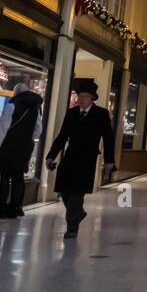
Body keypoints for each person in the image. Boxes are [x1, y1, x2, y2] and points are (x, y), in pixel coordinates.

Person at [46, 77, 115, 239]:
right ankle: (78, 213)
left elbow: (108, 138)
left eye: (84, 97)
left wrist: (109, 161)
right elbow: (62, 136)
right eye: (79, 96)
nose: (80, 99)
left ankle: (72, 227)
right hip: (70, 156)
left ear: (92, 98)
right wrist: (51, 156)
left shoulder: (101, 114)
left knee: (77, 192)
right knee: (64, 190)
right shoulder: (71, 113)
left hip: (87, 158)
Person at [0, 82, 43, 218]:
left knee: (5, 178)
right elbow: (38, 130)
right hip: (24, 149)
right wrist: (26, 138)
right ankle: (16, 207)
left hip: (8, 148)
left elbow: (2, 129)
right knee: (18, 178)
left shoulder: (12, 106)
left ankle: (1, 208)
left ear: (15, 93)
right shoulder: (35, 109)